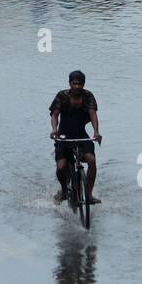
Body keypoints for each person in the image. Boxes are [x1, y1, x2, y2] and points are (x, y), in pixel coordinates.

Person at [50, 70, 102, 203]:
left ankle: (89, 195)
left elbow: (93, 114)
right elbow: (54, 114)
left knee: (91, 160)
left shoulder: (88, 96)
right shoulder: (62, 96)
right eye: (74, 84)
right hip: (64, 136)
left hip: (81, 135)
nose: (77, 87)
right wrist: (54, 130)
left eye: (80, 84)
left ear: (83, 84)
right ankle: (63, 191)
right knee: (61, 167)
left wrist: (96, 132)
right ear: (70, 84)